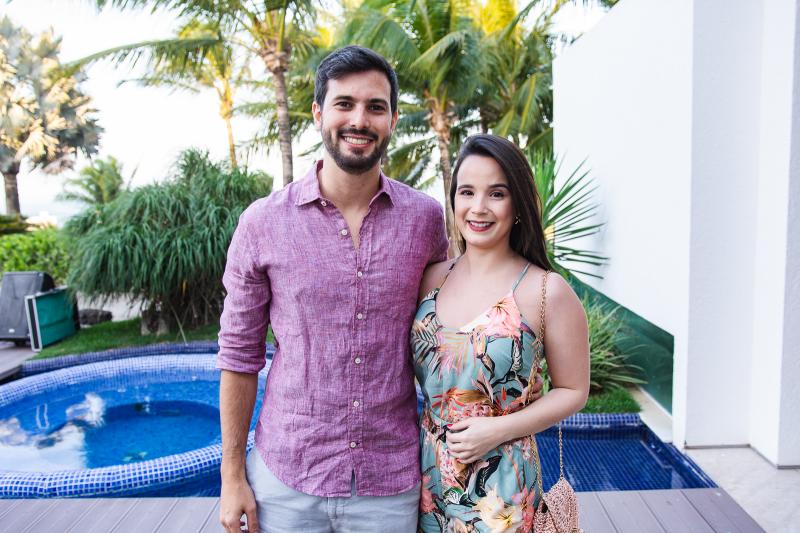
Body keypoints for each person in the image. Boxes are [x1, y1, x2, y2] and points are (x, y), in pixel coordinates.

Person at [215, 46, 451, 533]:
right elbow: (239, 355)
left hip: (390, 482)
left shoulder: (426, 221)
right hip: (286, 478)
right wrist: (232, 476)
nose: (359, 120)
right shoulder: (262, 224)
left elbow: (444, 336)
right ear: (318, 113)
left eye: (375, 107)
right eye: (345, 104)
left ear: (393, 120)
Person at [411, 134, 590, 532]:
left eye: (496, 193)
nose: (478, 207)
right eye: (467, 192)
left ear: (517, 203)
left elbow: (574, 390)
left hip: (501, 494)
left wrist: (497, 429)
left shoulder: (546, 291)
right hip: (428, 482)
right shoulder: (432, 279)